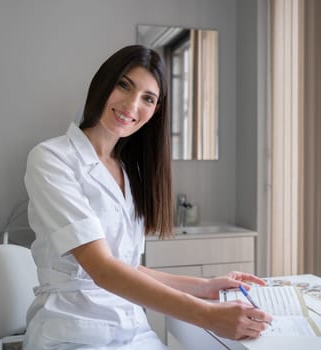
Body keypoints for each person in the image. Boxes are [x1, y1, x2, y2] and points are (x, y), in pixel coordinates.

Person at [22, 45, 272, 349]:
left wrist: (205, 287)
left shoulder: (126, 171)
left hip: (133, 330)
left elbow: (128, 267)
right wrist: (208, 316)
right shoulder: (51, 158)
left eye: (148, 98)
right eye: (124, 85)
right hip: (74, 333)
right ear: (103, 83)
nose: (131, 104)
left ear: (156, 111)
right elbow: (102, 270)